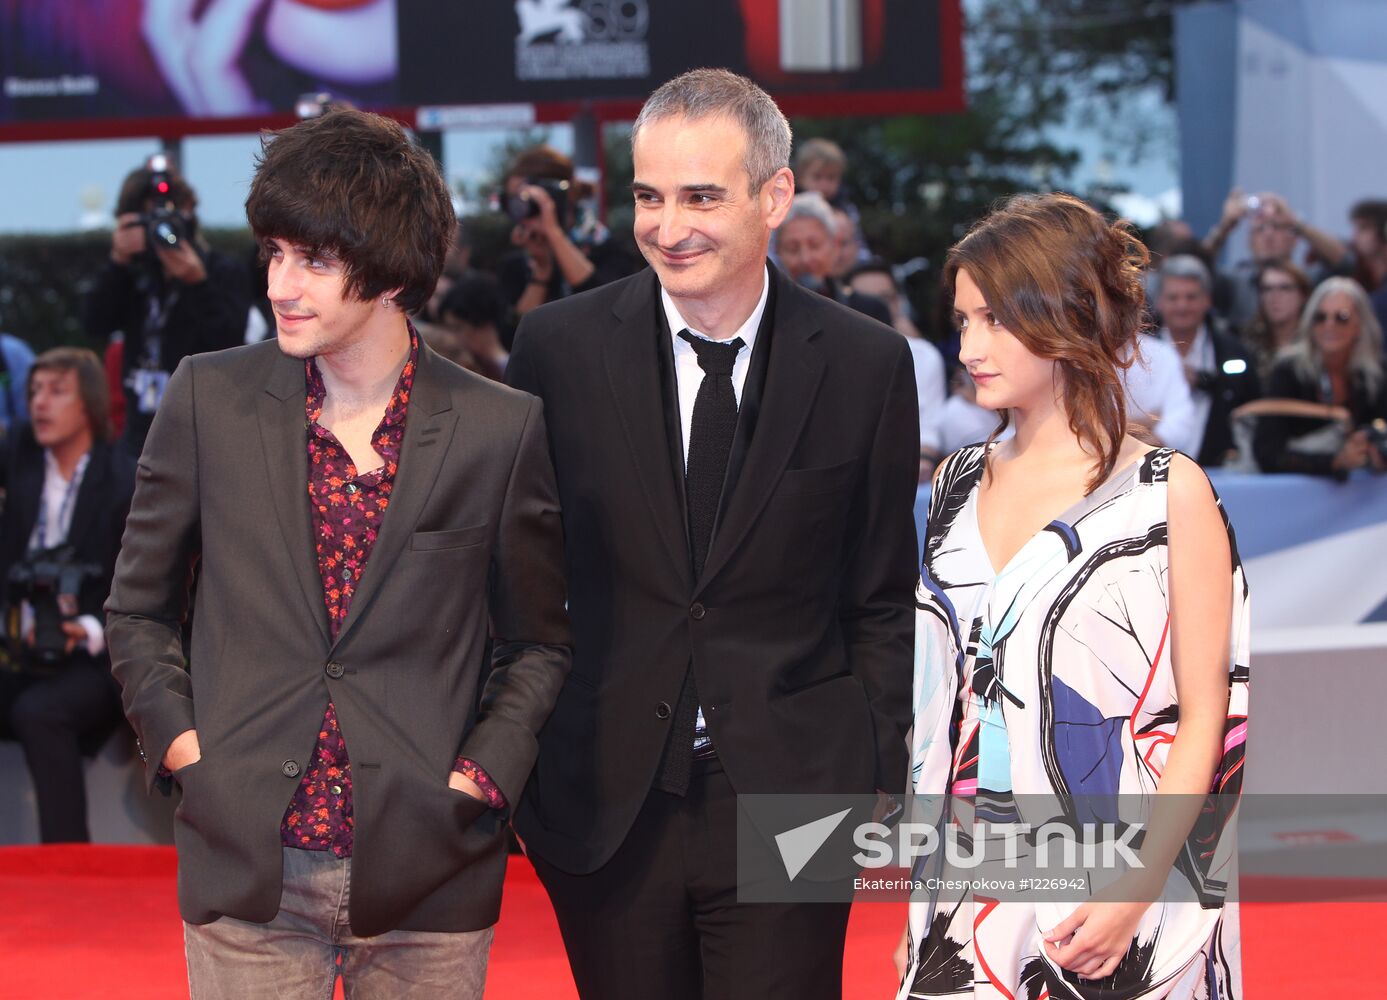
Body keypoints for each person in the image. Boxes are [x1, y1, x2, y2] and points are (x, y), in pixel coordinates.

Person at [104, 108, 571, 999]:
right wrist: (186, 754)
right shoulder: (209, 398)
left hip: (429, 862)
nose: (282, 283)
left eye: (314, 260)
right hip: (246, 857)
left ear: (392, 274)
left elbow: (537, 640)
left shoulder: (496, 428)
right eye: (276, 252)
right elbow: (138, 608)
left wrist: (480, 779)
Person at [507, 69, 919, 999]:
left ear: (774, 196)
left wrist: (873, 765)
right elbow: (521, 577)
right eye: (649, 196)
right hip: (604, 794)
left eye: (700, 195)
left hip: (793, 792)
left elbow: (881, 592)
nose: (667, 225)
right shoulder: (558, 350)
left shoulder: (863, 364)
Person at [901, 193, 1248, 998]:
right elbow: (947, 708)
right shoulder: (953, 483)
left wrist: (1135, 890)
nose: (967, 346)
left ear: (1062, 317)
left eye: (991, 320)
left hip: (1120, 889)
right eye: (960, 321)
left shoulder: (1166, 493)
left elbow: (1206, 713)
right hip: (965, 886)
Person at [0, 348, 134, 843]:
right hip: (22, 649)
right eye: (34, 391)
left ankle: (68, 863)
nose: (40, 403)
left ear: (90, 406)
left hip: (98, 658)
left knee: (40, 712)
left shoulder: (124, 481)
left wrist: (94, 628)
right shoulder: (20, 459)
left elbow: (148, 585)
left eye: (57, 391)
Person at [81, 158, 248, 455]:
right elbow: (94, 323)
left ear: (189, 214)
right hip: (139, 435)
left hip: (204, 432)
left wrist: (197, 283)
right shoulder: (133, 275)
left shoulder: (222, 272)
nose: (160, 231)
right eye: (148, 223)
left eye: (168, 219)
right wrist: (118, 262)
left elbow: (231, 341)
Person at [1253, 276, 1387, 478]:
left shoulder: (1376, 375)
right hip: (1289, 497)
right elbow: (1267, 452)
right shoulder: (1288, 371)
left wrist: (1375, 452)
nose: (1329, 325)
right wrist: (1336, 461)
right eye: (1320, 317)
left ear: (1359, 325)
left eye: (1341, 317)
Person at [498, 145, 638, 331]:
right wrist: (541, 270)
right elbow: (516, 336)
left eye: (528, 198)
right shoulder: (516, 264)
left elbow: (605, 306)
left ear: (561, 194)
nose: (521, 208)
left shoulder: (609, 249)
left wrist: (553, 232)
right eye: (514, 200)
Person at [1153, 255, 1261, 466]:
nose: (1182, 306)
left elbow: (1252, 407)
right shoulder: (1137, 355)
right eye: (1173, 297)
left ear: (1207, 300)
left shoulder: (1233, 352)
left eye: (1191, 297)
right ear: (1159, 302)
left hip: (1220, 474)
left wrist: (1206, 381)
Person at [847, 258, 948, 478]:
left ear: (898, 301)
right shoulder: (827, 352)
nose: (876, 308)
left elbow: (931, 426)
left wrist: (922, 460)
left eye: (885, 299)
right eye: (864, 301)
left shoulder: (924, 355)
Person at [1201, 188, 1346, 330]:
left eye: (1277, 227)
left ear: (1294, 239)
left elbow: (1344, 262)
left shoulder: (1306, 279)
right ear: (1249, 242)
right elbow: (1196, 268)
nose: (1268, 235)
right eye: (1260, 229)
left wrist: (1297, 223)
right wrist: (1224, 227)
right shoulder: (1234, 282)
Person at [1241, 261, 1312, 379]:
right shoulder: (1246, 341)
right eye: (1267, 289)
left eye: (1284, 288)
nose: (1274, 296)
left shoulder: (1315, 342)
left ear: (1303, 295)